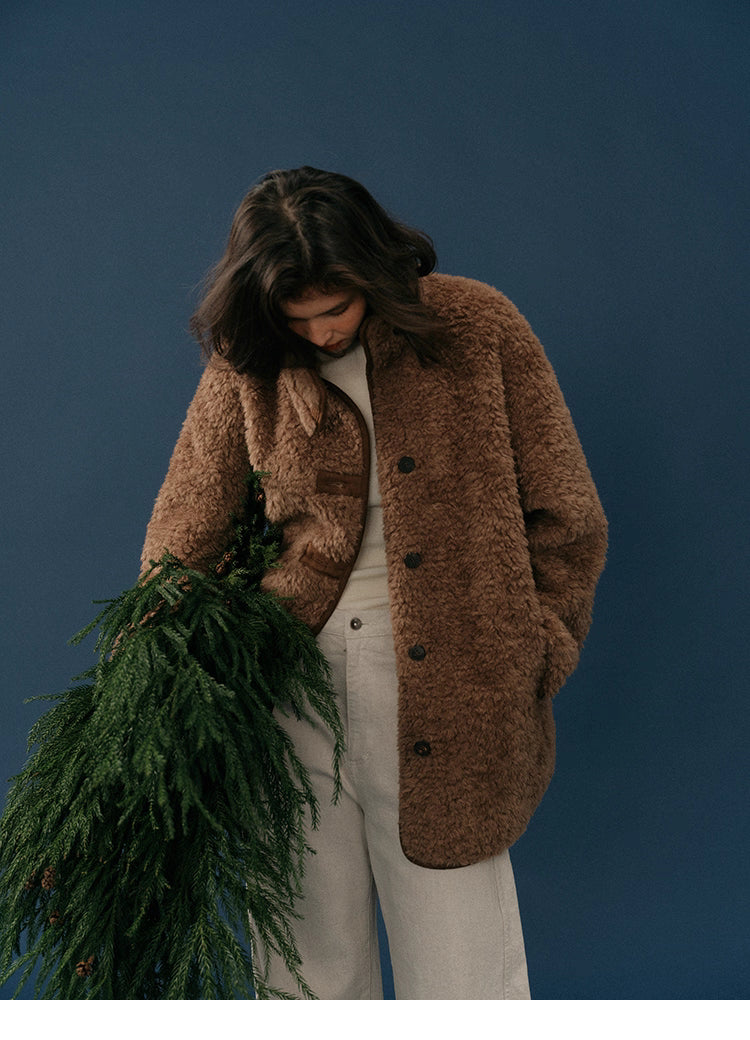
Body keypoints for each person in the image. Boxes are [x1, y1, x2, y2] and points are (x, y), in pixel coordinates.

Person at [140, 166, 608, 1000]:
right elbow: (186, 527)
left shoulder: (476, 327)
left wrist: (536, 651)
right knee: (302, 948)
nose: (322, 333)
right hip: (287, 679)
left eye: (338, 307)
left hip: (458, 679)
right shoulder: (246, 365)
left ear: (376, 271)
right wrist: (169, 667)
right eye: (301, 317)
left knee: (464, 954)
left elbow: (568, 515)